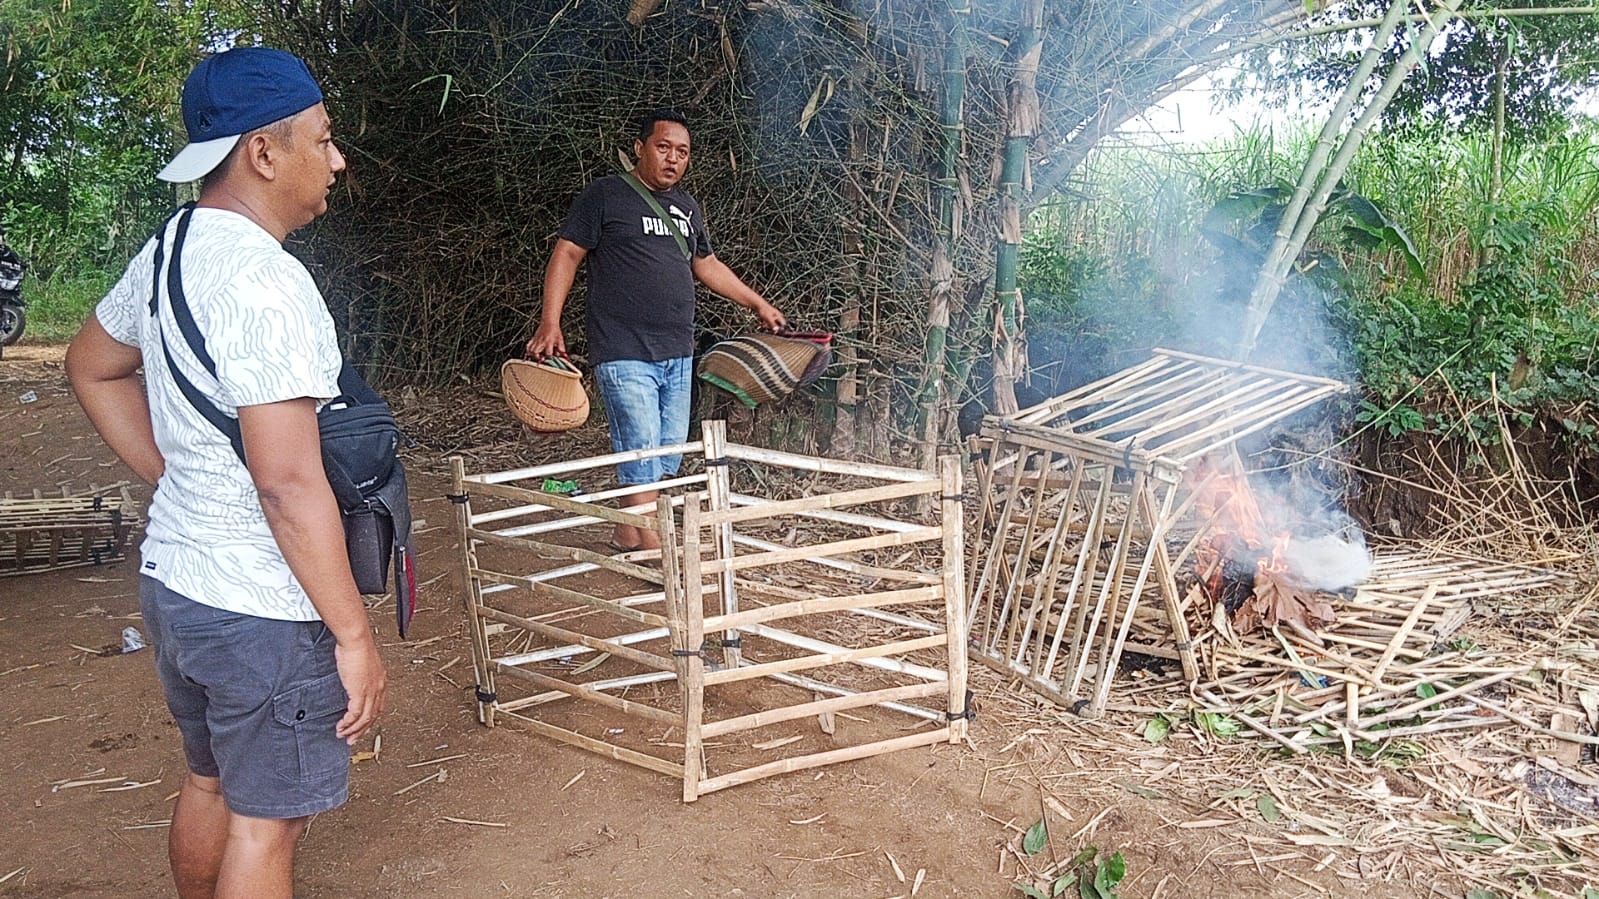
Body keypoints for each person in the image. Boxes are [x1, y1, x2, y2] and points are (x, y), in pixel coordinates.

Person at [65, 47, 385, 899]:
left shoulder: (171, 248)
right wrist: (354, 637)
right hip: (260, 607)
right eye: (324, 138)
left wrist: (178, 474)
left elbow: (92, 364)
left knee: (211, 779)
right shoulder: (266, 283)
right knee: (265, 822)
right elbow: (286, 484)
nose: (337, 158)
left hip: (179, 586)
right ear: (264, 151)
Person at [526, 109, 786, 552]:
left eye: (682, 152)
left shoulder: (686, 208)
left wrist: (757, 302)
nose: (672, 159)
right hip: (623, 347)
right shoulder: (606, 195)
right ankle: (652, 542)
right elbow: (568, 253)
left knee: (665, 452)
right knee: (640, 445)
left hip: (677, 349)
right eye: (663, 148)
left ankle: (629, 529)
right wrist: (550, 322)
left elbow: (706, 264)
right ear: (639, 148)